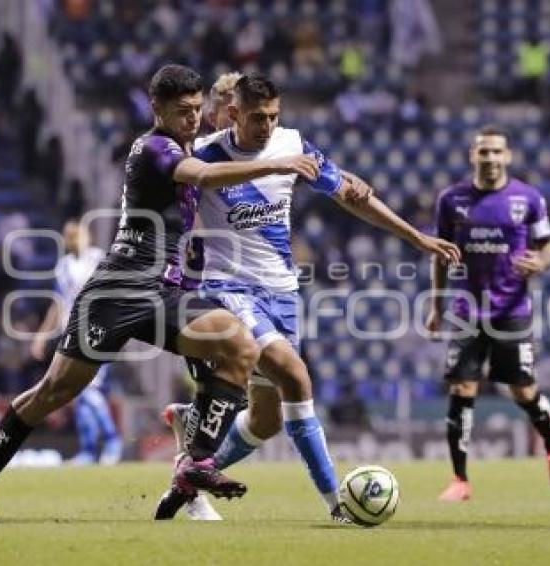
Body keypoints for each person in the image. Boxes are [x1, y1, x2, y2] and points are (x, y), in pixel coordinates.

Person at [0, 64, 322, 523]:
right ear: (157, 108)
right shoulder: (154, 148)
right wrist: (276, 162)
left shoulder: (189, 143)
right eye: (182, 110)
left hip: (165, 292)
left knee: (238, 345)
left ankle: (197, 464)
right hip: (118, 288)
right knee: (56, 390)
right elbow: (202, 176)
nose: (192, 118)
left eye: (195, 109)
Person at [157, 73, 460, 521]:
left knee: (267, 421)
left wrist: (416, 237)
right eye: (258, 117)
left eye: (274, 116)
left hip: (283, 293)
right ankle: (337, 504)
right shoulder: (205, 157)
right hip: (229, 289)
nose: (267, 125)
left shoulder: (293, 145)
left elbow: (348, 196)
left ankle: (190, 476)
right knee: (297, 378)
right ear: (235, 113)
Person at [426, 125, 550, 502]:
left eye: (496, 152)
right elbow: (440, 255)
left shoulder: (529, 198)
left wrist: (541, 261)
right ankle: (460, 479)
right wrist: (435, 305)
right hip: (466, 310)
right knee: (462, 386)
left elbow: (548, 247)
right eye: (483, 152)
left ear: (507, 156)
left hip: (511, 310)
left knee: (522, 390)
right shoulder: (451, 200)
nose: (489, 158)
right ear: (473, 156)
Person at [30, 219, 123, 466]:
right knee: (77, 391)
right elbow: (57, 304)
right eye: (70, 235)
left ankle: (113, 441)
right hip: (71, 333)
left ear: (87, 237)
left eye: (78, 234)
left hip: (97, 329)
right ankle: (89, 450)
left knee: (92, 388)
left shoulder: (98, 259)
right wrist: (41, 335)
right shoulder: (63, 267)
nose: (74, 239)